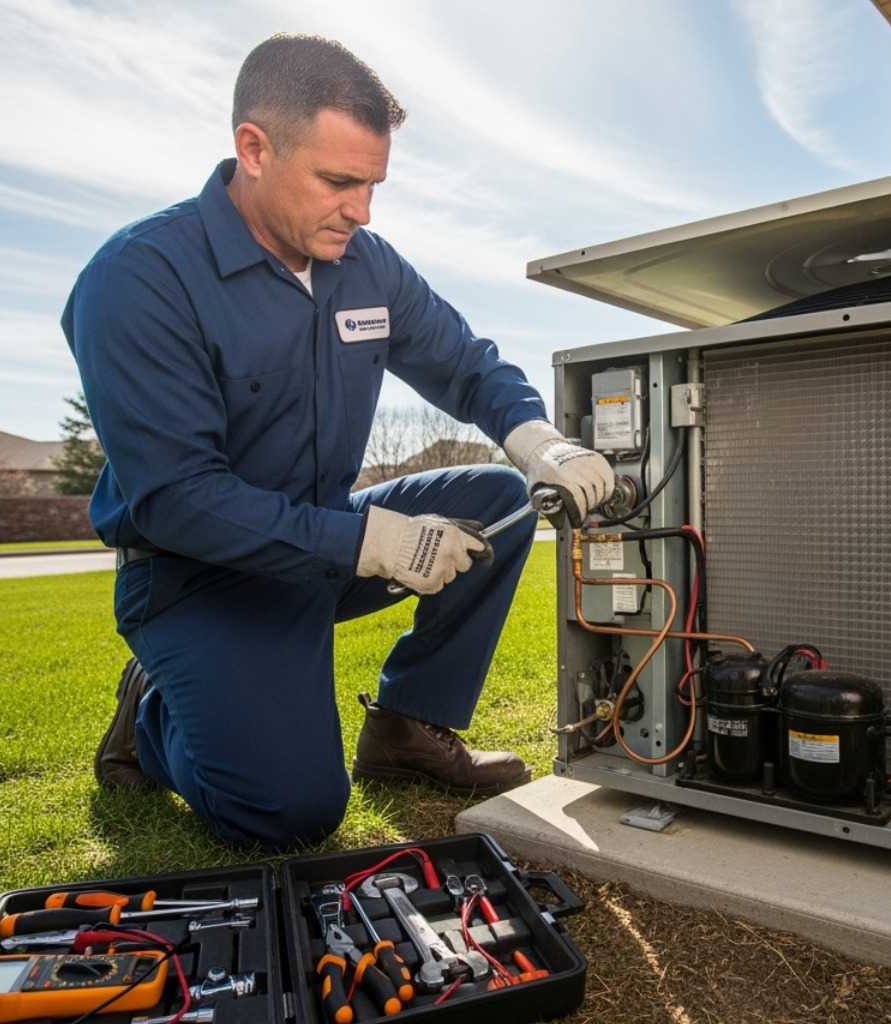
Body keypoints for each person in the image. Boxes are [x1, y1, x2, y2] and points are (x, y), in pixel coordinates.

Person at [62, 33, 612, 850]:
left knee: (499, 498)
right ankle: (148, 715)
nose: (361, 210)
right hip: (198, 576)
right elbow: (177, 500)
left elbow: (465, 366)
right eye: (338, 181)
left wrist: (541, 443)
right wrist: (373, 541)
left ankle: (407, 727)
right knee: (290, 813)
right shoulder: (139, 279)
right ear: (254, 147)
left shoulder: (368, 267)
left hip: (323, 548)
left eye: (374, 184)